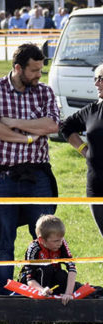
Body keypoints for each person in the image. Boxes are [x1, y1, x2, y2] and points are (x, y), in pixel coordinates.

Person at [0, 43, 59, 295]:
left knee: (45, 238)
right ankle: (2, 294)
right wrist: (27, 137)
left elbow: (52, 125)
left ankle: (45, 289)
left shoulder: (44, 91)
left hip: (38, 174)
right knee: (4, 238)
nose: (38, 75)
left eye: (40, 70)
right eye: (34, 70)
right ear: (17, 68)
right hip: (3, 175)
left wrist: (12, 123)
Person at [60, 63, 103, 235]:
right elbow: (66, 127)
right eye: (95, 78)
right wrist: (84, 150)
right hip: (97, 187)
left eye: (101, 78)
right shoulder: (92, 110)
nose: (96, 83)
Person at [19, 215, 90, 305]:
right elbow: (29, 278)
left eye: (61, 239)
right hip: (36, 283)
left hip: (54, 279)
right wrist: (42, 290)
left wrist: (68, 294)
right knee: (46, 269)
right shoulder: (34, 248)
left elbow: (72, 268)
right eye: (56, 241)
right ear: (42, 240)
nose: (60, 243)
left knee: (62, 275)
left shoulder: (62, 243)